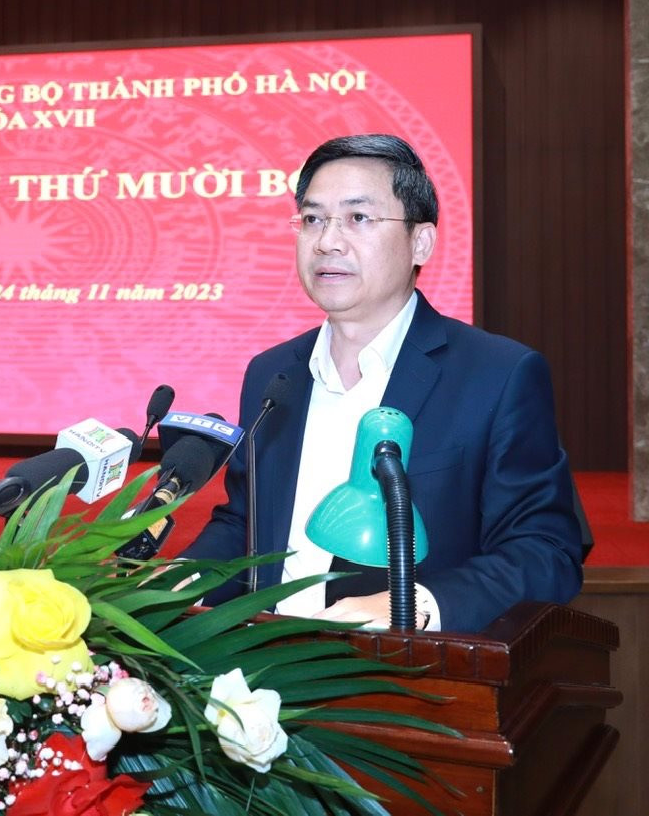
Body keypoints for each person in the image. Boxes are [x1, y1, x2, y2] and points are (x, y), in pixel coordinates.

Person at [179, 133, 583, 633]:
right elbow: (247, 524)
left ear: (421, 242)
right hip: (264, 657)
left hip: (402, 666)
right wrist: (180, 581)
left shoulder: (497, 374)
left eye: (358, 218)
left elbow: (545, 550)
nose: (327, 241)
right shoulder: (272, 373)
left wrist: (412, 604)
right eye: (312, 219)